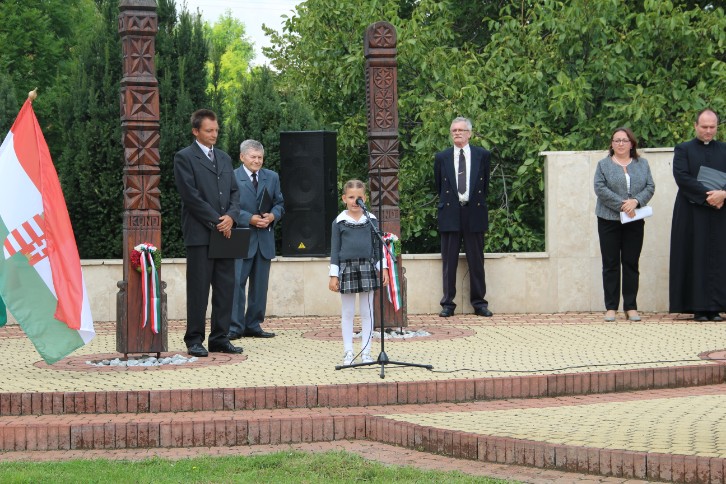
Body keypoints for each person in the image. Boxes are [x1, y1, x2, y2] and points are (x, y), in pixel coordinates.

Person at [173, 109, 243, 357]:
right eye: (209, 130)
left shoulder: (224, 158)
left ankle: (220, 338)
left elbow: (234, 192)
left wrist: (231, 217)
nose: (214, 135)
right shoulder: (184, 157)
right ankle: (194, 339)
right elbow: (190, 196)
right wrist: (217, 221)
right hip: (200, 234)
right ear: (196, 131)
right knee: (199, 289)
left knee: (225, 288)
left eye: (216, 130)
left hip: (225, 233)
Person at [669, 108, 726, 321]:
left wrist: (723, 194)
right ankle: (698, 308)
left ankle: (716, 307)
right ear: (695, 126)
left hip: (721, 212)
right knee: (694, 254)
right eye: (704, 127)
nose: (708, 131)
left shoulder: (724, 149)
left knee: (719, 257)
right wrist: (709, 196)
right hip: (691, 213)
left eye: (712, 127)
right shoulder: (683, 149)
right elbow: (682, 177)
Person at [594, 127, 655, 322]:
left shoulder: (642, 164)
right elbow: (600, 188)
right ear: (611, 144)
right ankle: (611, 307)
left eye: (624, 140)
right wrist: (623, 205)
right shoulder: (603, 165)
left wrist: (636, 201)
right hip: (608, 220)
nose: (620, 144)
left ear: (631, 144)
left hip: (634, 220)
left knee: (631, 263)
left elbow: (650, 186)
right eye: (616, 140)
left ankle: (631, 307)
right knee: (610, 263)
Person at [434, 117, 492, 318]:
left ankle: (479, 304)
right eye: (454, 130)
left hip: (474, 211)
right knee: (449, 262)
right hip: (450, 211)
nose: (457, 133)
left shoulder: (482, 155)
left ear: (469, 133)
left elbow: (485, 185)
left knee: (476, 260)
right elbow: (439, 186)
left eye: (461, 130)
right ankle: (448, 304)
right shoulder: (442, 157)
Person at [328, 180, 389, 366]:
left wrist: (383, 268)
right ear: (344, 198)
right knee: (347, 312)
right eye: (351, 197)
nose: (355, 201)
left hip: (367, 268)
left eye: (359, 197)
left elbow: (377, 248)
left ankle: (366, 351)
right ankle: (348, 351)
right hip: (347, 268)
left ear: (365, 199)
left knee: (367, 312)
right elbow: (335, 250)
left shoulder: (371, 220)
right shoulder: (339, 222)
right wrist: (333, 275)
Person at [228, 140, 284, 339]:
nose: (257, 161)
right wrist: (248, 218)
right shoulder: (232, 177)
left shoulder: (272, 177)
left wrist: (273, 216)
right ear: (242, 157)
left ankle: (253, 325)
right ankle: (234, 327)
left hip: (264, 239)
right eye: (253, 157)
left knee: (260, 286)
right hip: (241, 238)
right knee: (237, 284)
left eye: (260, 157)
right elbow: (226, 206)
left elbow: (280, 203)